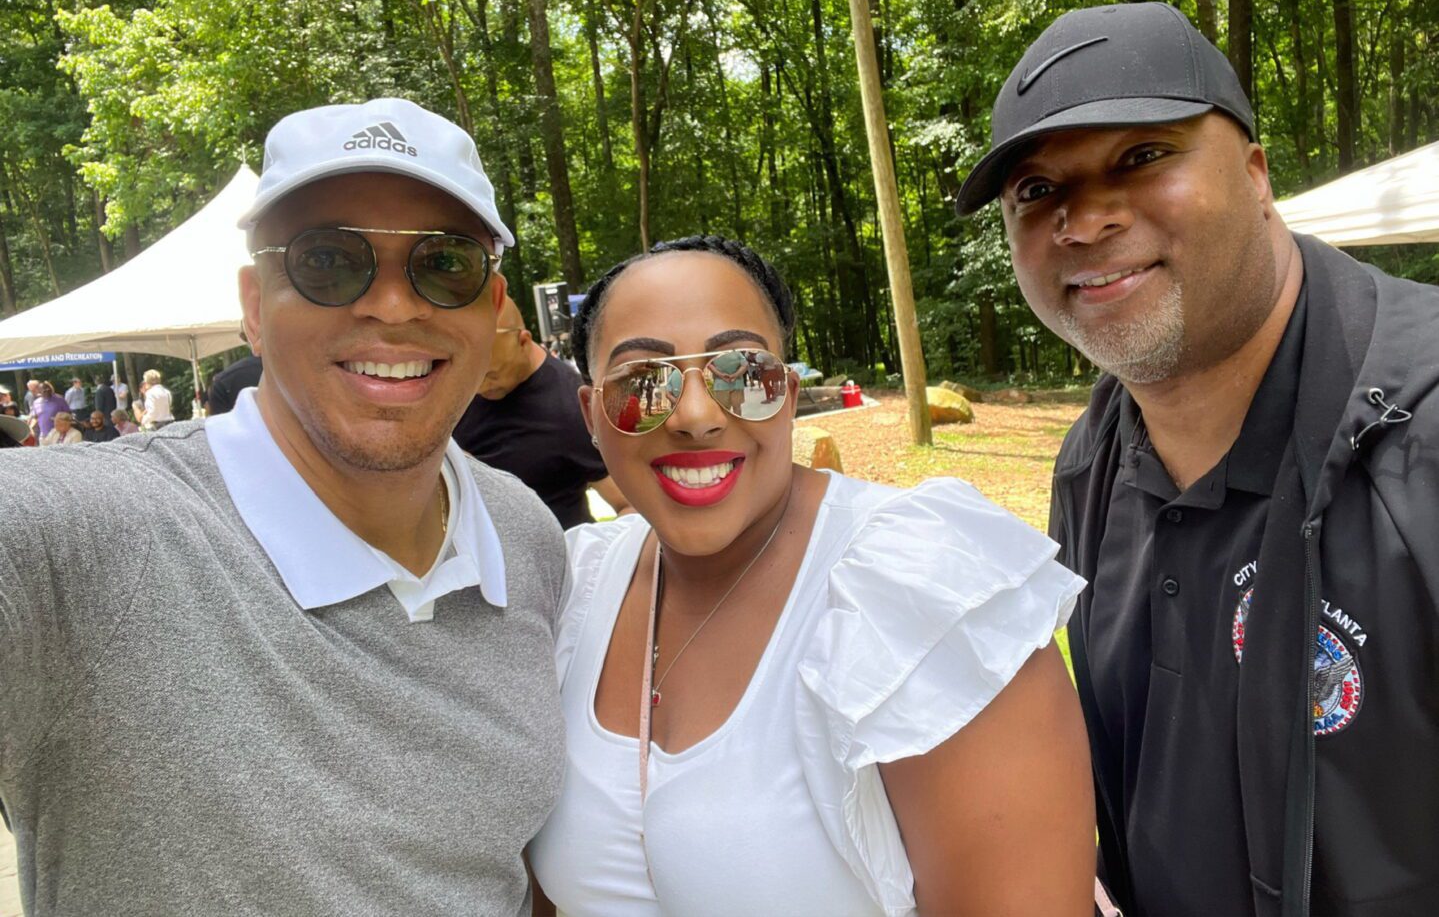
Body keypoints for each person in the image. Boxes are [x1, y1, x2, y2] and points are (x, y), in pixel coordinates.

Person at [0, 97, 565, 914]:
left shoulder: (524, 536)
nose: (395, 306)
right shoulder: (84, 538)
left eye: (444, 264)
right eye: (329, 260)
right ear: (256, 307)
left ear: (492, 308)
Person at [956, 1, 1439, 916]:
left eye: (1141, 156)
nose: (1084, 219)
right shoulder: (1091, 463)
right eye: (1036, 191)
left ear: (1257, 172)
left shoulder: (1420, 445)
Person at [527, 236, 1095, 915]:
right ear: (591, 415)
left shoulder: (924, 594)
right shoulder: (571, 587)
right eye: (644, 383)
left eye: (741, 371)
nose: (697, 416)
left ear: (789, 395)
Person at [453, 293, 627, 529]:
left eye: (491, 375)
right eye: (470, 375)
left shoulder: (571, 406)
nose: (479, 387)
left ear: (524, 342)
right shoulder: (454, 386)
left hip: (554, 553)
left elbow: (627, 505)